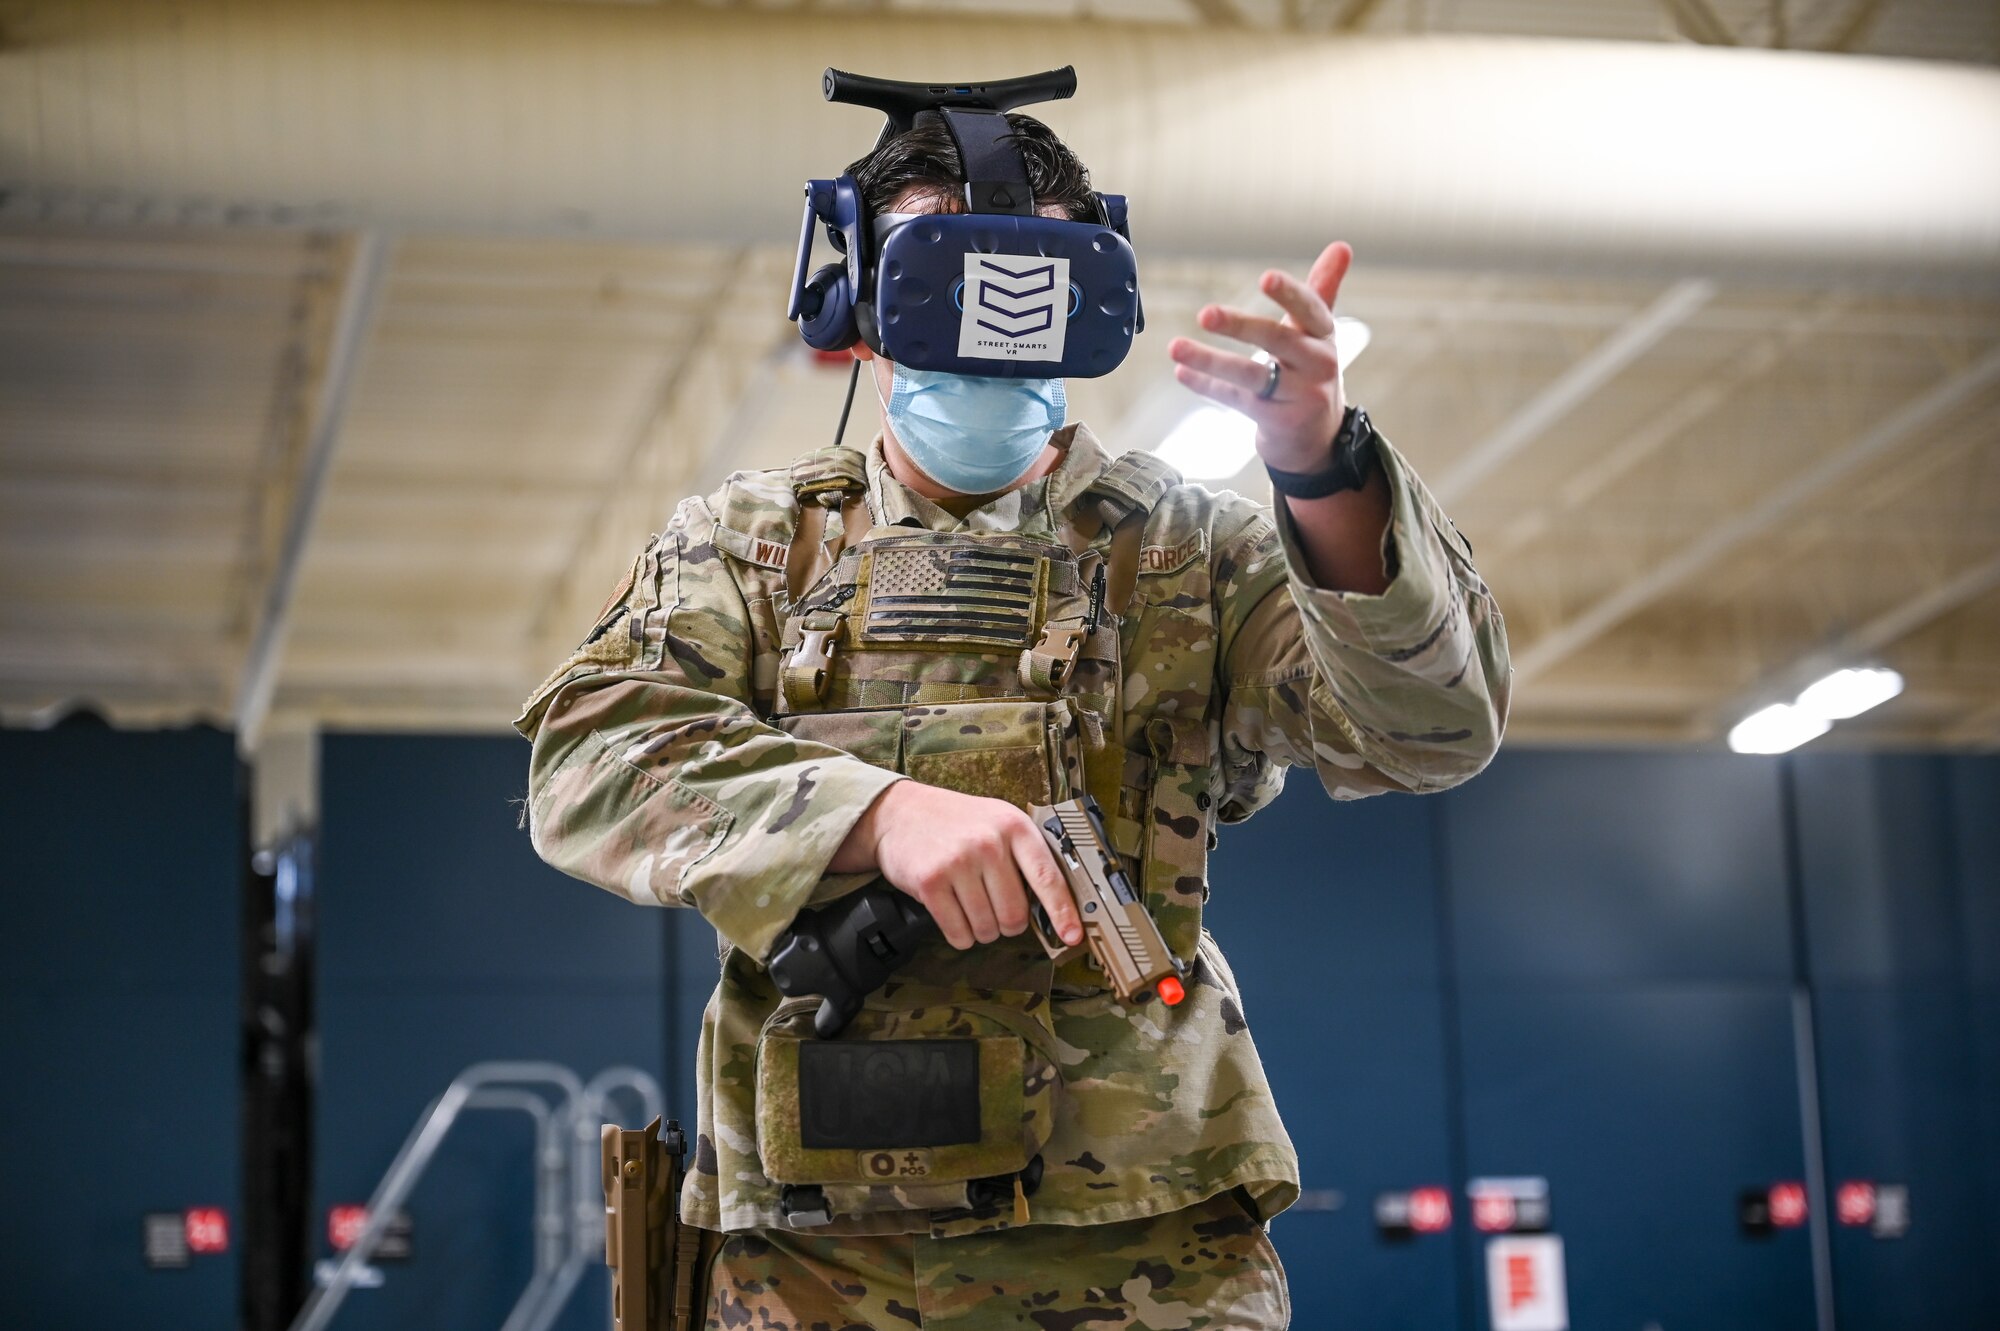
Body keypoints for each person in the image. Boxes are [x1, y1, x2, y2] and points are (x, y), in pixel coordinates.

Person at [516, 112, 1509, 1330]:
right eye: (935, 280)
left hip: (1142, 1243)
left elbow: (1427, 731)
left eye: (1031, 282)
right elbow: (587, 758)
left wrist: (1318, 464)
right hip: (820, 1256)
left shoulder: (1184, 548)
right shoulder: (752, 545)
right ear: (860, 305)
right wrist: (874, 813)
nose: (986, 329)